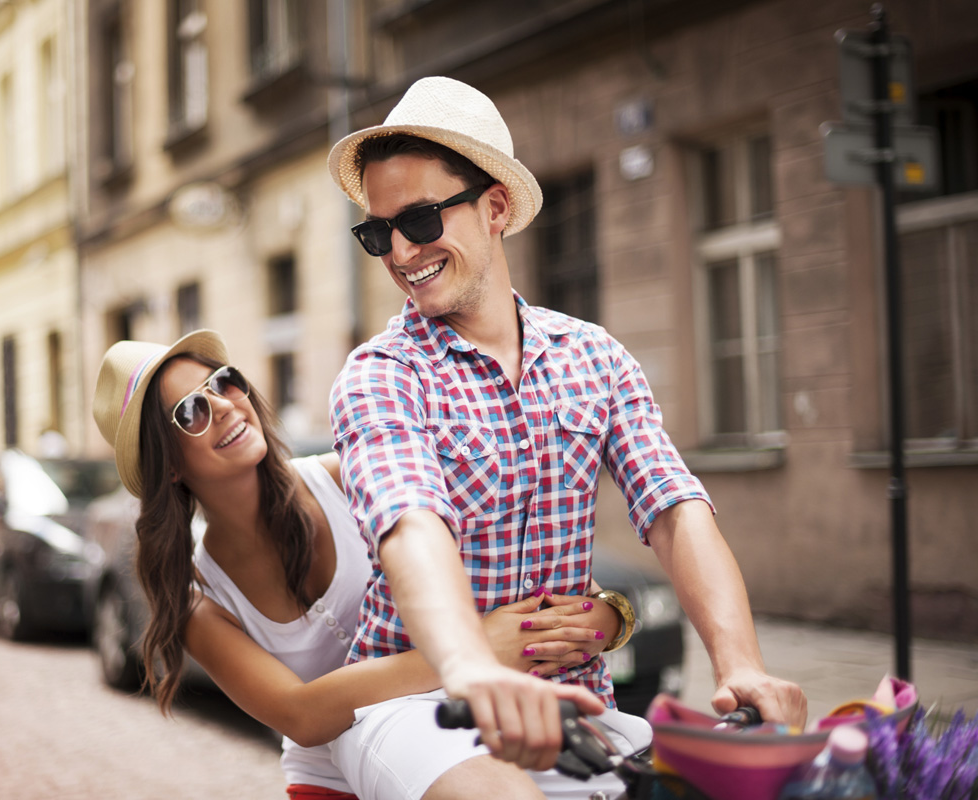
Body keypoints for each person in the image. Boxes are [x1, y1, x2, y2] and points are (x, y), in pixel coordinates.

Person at [324, 76, 808, 797]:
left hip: (577, 704)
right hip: (415, 704)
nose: (398, 251)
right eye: (376, 231)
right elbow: (410, 530)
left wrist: (739, 665)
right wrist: (473, 671)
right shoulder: (379, 376)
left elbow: (674, 508)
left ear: (494, 209)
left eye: (420, 220)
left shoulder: (596, 357)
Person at [91, 331, 628, 799]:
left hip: (467, 731)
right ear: (168, 469)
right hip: (335, 778)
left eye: (224, 383)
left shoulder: (352, 476)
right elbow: (301, 715)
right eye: (190, 411)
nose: (226, 406)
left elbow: (517, 555)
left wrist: (608, 616)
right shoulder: (201, 601)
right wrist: (475, 648)